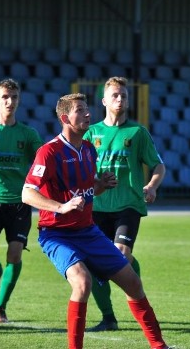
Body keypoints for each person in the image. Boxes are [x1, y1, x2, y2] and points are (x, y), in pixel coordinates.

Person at [21, 93, 170, 349]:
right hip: (56, 234)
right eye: (80, 110)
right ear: (65, 118)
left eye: (87, 109)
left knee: (133, 282)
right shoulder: (49, 152)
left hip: (88, 231)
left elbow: (87, 189)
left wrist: (100, 185)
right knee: (82, 282)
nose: (88, 114)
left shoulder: (89, 149)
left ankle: (159, 346)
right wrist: (61, 207)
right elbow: (27, 193)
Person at [83, 76, 166, 332]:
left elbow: (158, 165)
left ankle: (134, 289)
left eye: (124, 95)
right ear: (104, 101)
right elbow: (78, 167)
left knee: (119, 255)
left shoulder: (137, 132)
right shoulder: (91, 133)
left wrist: (151, 186)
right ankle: (109, 318)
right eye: (115, 95)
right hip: (96, 208)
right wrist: (94, 182)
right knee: (93, 265)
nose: (120, 99)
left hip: (128, 206)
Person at [0, 78, 43, 324]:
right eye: (5, 97)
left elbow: (42, 158)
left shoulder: (27, 134)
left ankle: (0, 308)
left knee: (15, 254)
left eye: (14, 97)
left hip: (19, 201)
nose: (10, 101)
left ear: (19, 100)